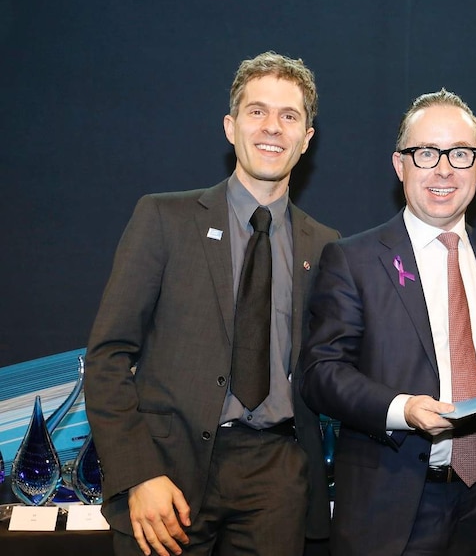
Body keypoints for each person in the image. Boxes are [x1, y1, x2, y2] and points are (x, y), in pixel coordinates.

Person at [84, 51, 338, 556]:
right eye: (257, 111)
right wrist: (139, 474)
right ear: (230, 126)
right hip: (166, 477)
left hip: (277, 479)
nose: (273, 128)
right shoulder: (163, 219)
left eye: (290, 116)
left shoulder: (326, 246)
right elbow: (107, 358)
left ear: (307, 138)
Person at [299, 89, 476, 556]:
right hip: (393, 503)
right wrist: (403, 409)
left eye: (459, 154)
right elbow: (321, 374)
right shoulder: (352, 259)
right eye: (426, 153)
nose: (443, 169)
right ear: (400, 166)